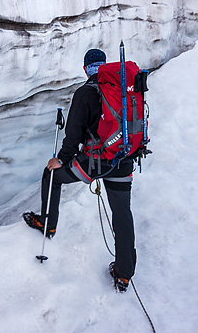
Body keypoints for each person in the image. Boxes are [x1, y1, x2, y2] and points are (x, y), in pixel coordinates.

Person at [23, 49, 136, 292]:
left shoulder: (85, 92)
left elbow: (73, 134)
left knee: (51, 176)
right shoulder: (124, 89)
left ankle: (48, 224)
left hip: (95, 164)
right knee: (122, 213)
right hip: (123, 160)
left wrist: (61, 160)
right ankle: (124, 273)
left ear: (86, 68)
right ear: (105, 66)